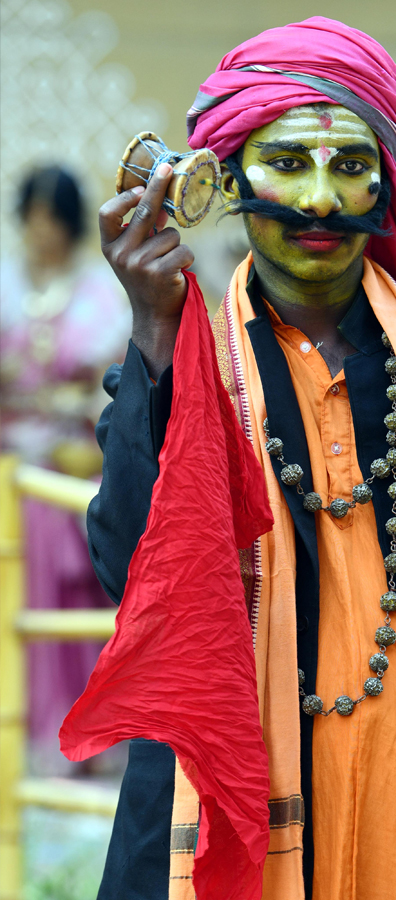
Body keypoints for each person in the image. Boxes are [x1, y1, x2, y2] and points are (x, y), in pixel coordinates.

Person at [61, 18, 396, 900]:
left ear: (384, 185)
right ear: (229, 182)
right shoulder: (176, 374)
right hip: (235, 852)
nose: (318, 200)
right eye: (287, 163)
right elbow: (134, 577)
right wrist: (158, 332)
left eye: (349, 165)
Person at [0, 166, 131, 773]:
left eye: (51, 217)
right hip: (9, 468)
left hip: (71, 472)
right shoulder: (6, 282)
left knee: (75, 587)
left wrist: (70, 403)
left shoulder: (99, 294)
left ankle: (84, 735)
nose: (41, 229)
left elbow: (112, 388)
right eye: (33, 216)